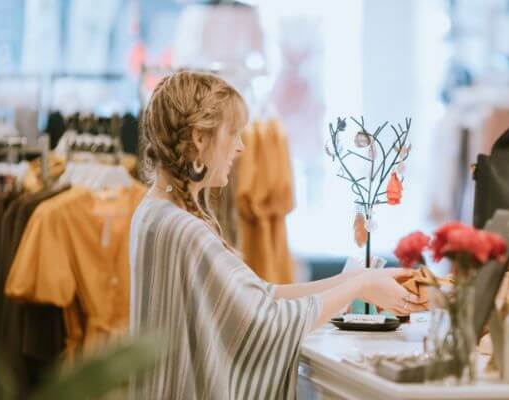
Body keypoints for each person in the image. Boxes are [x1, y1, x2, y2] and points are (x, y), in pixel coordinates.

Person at [128, 71, 425, 399]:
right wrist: (360, 285)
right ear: (199, 137)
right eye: (233, 133)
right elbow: (263, 321)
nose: (240, 147)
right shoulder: (184, 230)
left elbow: (261, 296)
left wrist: (355, 280)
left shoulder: (154, 211)